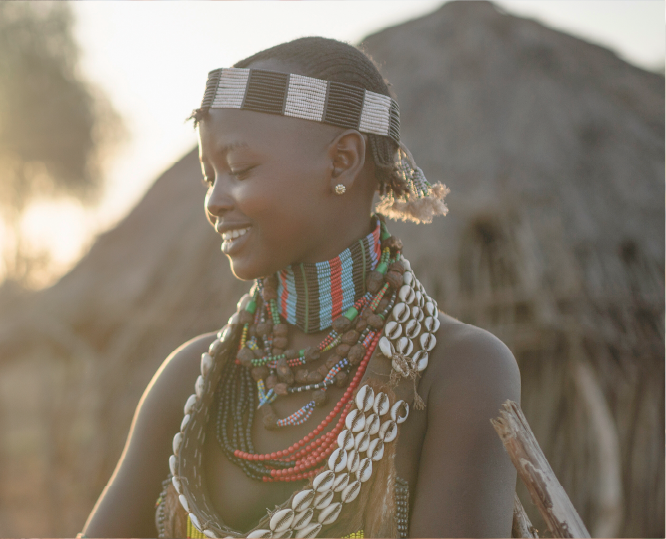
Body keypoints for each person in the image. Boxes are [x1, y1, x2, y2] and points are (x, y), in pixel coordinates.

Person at [80, 37, 520, 538]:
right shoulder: (191, 379)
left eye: (240, 170)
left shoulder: (457, 371)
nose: (215, 201)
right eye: (209, 177)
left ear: (342, 160)